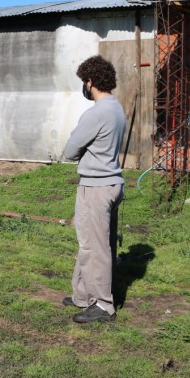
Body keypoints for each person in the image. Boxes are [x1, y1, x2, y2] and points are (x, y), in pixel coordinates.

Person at [62, 55, 126, 323]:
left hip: (96, 187)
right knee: (96, 242)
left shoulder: (96, 113)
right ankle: (83, 295)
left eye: (84, 82)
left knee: (94, 247)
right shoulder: (116, 108)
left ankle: (102, 305)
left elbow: (69, 151)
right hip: (112, 183)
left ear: (90, 82)